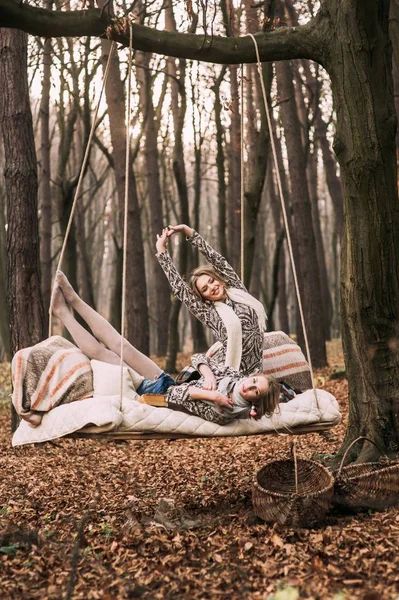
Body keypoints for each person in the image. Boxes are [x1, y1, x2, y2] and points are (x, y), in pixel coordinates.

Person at [52, 272, 281, 425]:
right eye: (254, 381)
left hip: (153, 396)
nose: (248, 386)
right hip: (165, 381)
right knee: (121, 344)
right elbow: (199, 357)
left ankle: (63, 313)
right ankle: (74, 300)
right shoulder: (236, 378)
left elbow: (175, 395)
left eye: (254, 391)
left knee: (105, 354)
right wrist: (208, 372)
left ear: (254, 401)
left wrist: (211, 395)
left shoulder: (224, 411)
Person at [156, 225, 267, 376]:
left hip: (256, 373)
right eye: (205, 289)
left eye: (211, 281)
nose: (211, 287)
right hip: (230, 372)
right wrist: (161, 250)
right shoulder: (210, 313)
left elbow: (217, 260)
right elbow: (181, 289)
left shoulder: (238, 291)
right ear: (204, 297)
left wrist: (188, 232)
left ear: (218, 279)